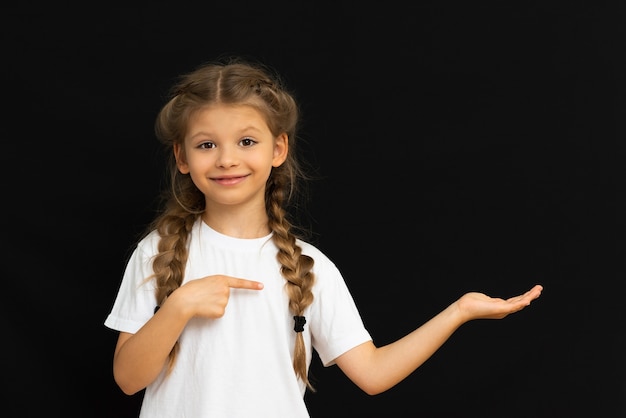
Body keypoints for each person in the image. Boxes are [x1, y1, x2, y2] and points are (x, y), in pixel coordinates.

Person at [104, 56, 543, 418]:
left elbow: (372, 374)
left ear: (278, 149)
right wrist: (178, 307)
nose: (226, 159)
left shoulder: (309, 267)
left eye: (246, 141)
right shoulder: (156, 252)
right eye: (206, 145)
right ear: (181, 157)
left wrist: (460, 311)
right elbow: (127, 380)